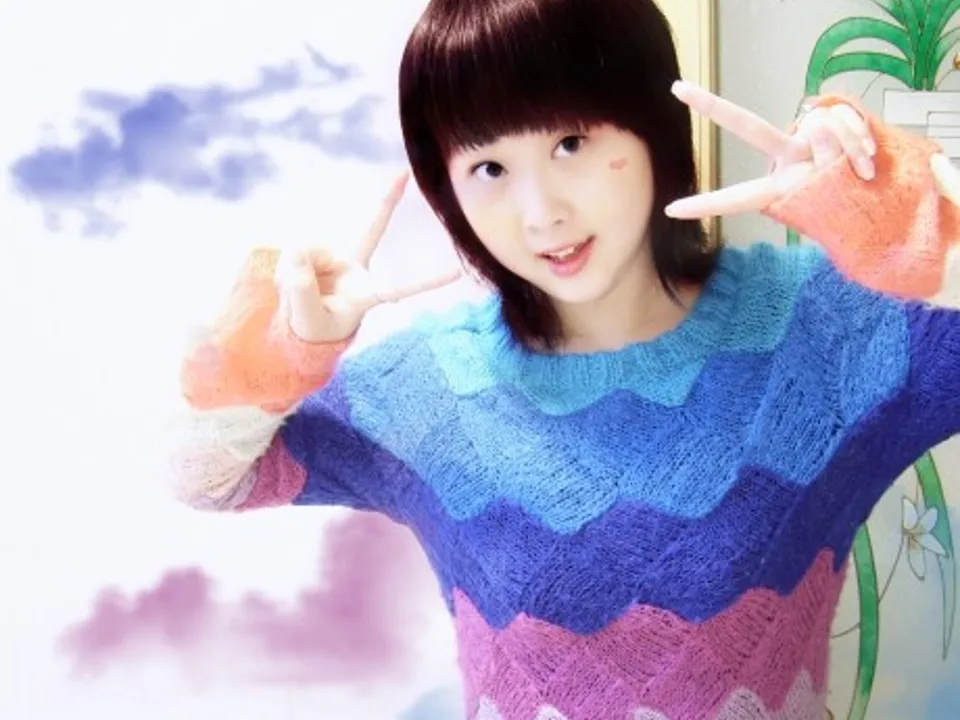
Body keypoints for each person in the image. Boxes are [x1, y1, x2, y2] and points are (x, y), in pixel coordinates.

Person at [167, 0, 960, 717]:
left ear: (652, 127)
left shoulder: (824, 335)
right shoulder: (433, 388)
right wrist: (278, 355)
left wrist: (924, 230)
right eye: (489, 167)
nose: (541, 212)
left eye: (571, 141)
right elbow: (208, 480)